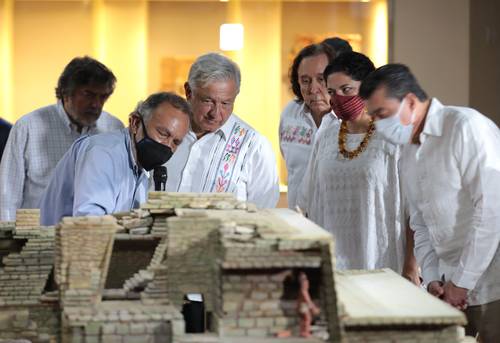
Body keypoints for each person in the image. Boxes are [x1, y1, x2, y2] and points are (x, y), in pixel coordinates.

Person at [360, 63, 500, 342]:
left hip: (491, 283)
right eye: (373, 116)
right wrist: (434, 277)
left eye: (381, 114)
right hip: (449, 286)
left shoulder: (464, 126)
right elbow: (420, 221)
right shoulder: (407, 150)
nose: (376, 124)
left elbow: (491, 212)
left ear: (410, 101)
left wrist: (462, 282)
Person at [297, 52, 410, 276]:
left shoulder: (395, 137)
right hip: (333, 263)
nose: (338, 98)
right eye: (331, 92)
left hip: (380, 259)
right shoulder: (327, 135)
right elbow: (309, 202)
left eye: (346, 90)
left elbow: (414, 213)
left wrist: (412, 266)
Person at [0, 56, 123, 221]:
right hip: (38, 238)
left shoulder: (113, 129)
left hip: (94, 235)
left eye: (103, 97)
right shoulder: (28, 126)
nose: (96, 104)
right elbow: (7, 194)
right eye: (88, 94)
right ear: (66, 93)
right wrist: (9, 242)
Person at [40, 92, 190, 226]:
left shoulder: (140, 167)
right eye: (163, 134)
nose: (168, 146)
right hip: (58, 252)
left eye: (176, 142)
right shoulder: (103, 153)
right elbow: (90, 224)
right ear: (135, 123)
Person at [165, 53, 279, 208]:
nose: (216, 113)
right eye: (208, 101)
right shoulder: (163, 132)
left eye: (225, 103)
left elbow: (263, 214)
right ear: (188, 92)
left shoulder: (254, 146)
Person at [279, 43, 337, 209]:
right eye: (305, 81)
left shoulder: (349, 121)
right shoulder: (290, 114)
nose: (313, 89)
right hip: (299, 223)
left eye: (321, 79)